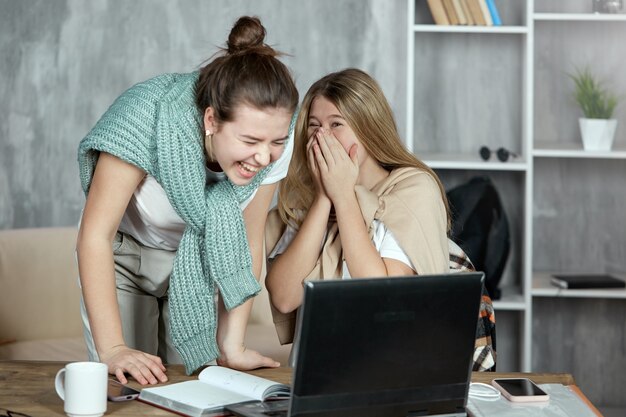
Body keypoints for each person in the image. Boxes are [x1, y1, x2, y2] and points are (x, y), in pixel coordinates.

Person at [76, 16, 299, 385]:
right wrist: (114, 349)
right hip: (125, 259)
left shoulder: (276, 139)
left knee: (193, 386)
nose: (263, 158)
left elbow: (247, 240)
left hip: (197, 263)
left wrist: (233, 343)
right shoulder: (144, 118)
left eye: (275, 142)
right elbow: (95, 235)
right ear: (211, 120)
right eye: (249, 142)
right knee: (133, 385)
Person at [264, 68, 496, 372]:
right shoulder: (305, 200)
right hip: (318, 371)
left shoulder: (412, 190)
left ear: (369, 130)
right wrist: (324, 196)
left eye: (336, 124)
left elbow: (385, 296)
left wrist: (344, 196)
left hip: (389, 371)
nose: (322, 136)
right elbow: (283, 297)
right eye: (314, 125)